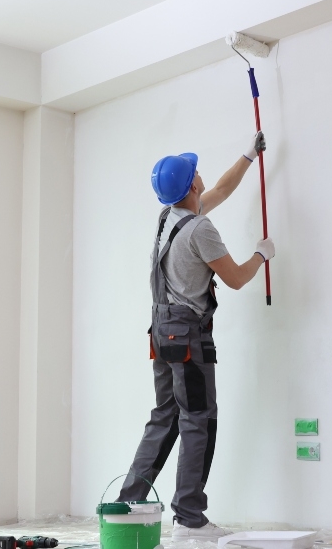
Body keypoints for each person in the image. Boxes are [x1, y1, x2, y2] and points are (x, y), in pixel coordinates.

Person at [117, 132, 274, 540]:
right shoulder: (200, 229)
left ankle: (128, 506)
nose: (201, 174)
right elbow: (236, 279)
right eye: (195, 172)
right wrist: (262, 255)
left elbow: (221, 188)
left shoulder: (170, 217)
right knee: (198, 420)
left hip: (162, 332)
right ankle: (189, 517)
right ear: (191, 187)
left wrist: (249, 155)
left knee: (164, 418)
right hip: (189, 339)